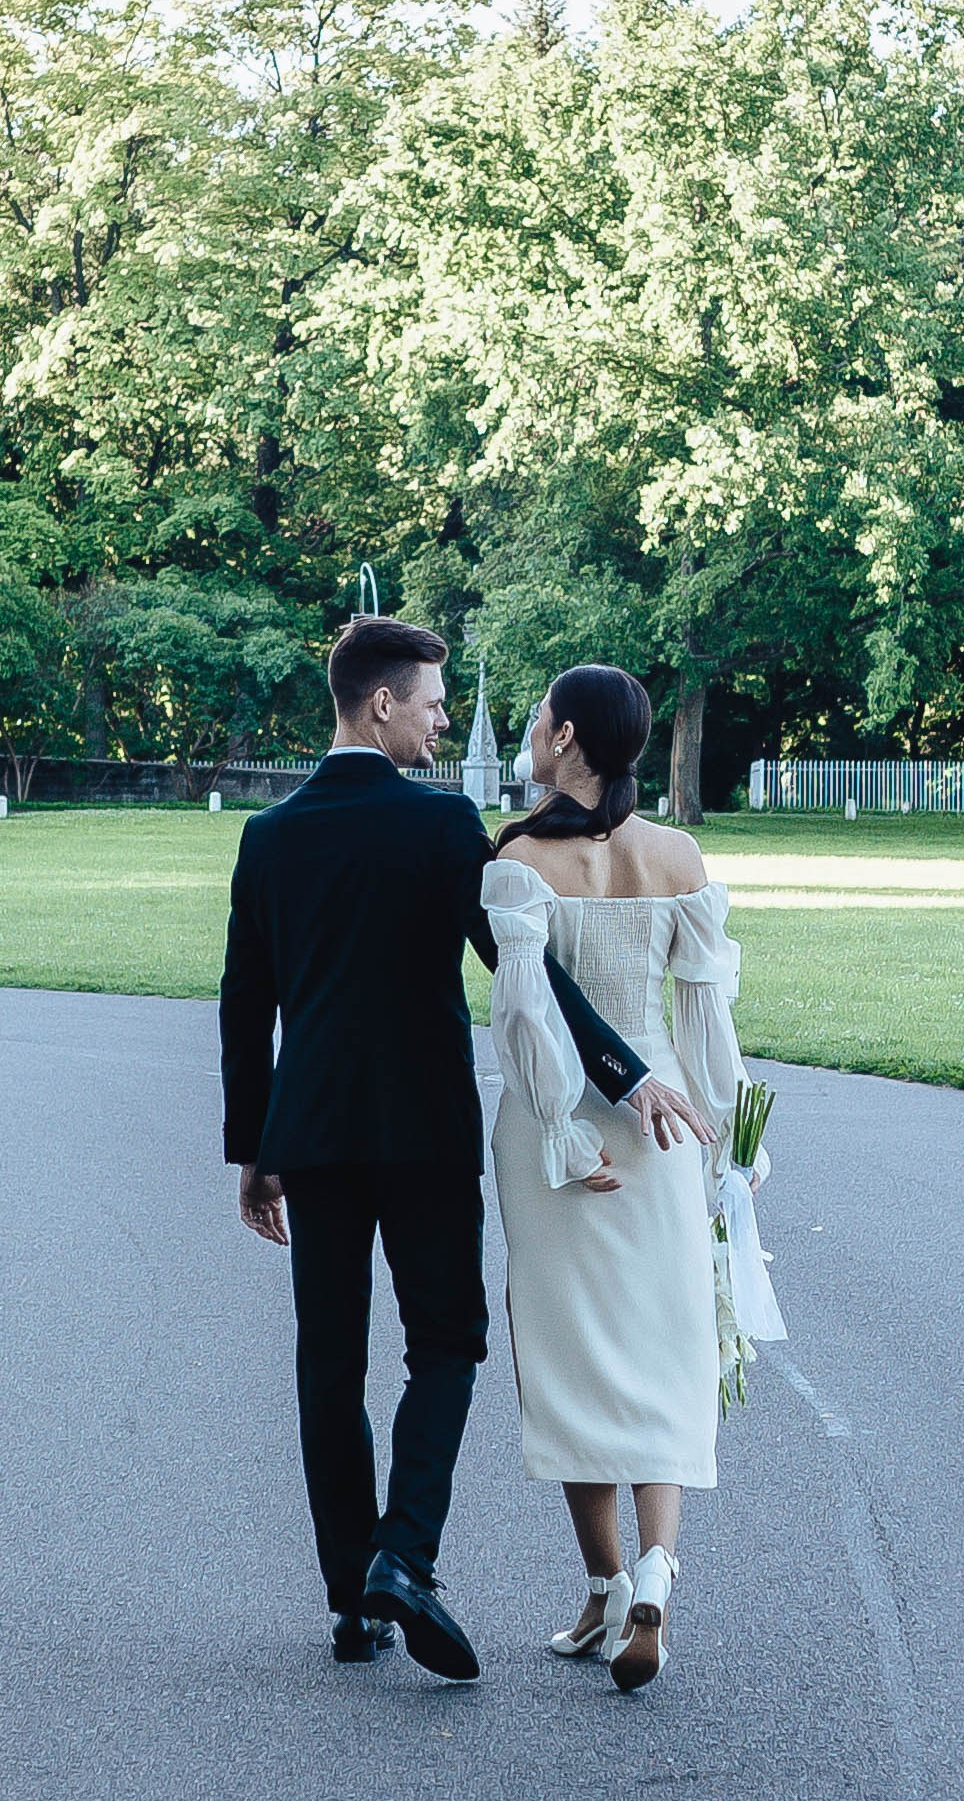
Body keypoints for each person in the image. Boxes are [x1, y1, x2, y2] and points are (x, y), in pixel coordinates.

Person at [220, 618, 712, 1682]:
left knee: (327, 1361)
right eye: (434, 703)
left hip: (310, 1135)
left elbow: (243, 1005)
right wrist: (628, 1072)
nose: (444, 721)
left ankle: (356, 1602)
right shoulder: (445, 828)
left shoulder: (268, 838)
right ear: (381, 703)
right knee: (446, 1346)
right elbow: (525, 980)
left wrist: (251, 1152)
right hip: (428, 1132)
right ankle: (407, 1556)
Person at [480, 664, 755, 1691]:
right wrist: (733, 1140)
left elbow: (524, 1020)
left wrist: (562, 1132)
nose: (533, 733)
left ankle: (602, 1584)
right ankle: (649, 1579)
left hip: (566, 1136)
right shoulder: (678, 855)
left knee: (572, 1353)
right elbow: (706, 1024)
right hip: (668, 1122)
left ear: (563, 738)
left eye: (540, 721)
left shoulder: (518, 858)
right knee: (666, 1340)